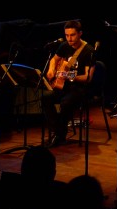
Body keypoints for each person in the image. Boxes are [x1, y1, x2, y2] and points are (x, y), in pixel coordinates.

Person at [41, 19, 95, 148]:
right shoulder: (64, 46)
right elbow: (54, 59)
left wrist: (69, 75)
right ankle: (58, 132)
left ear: (80, 33)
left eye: (72, 35)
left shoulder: (89, 50)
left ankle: (59, 135)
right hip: (63, 86)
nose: (69, 39)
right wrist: (51, 70)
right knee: (45, 98)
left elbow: (88, 77)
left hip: (80, 88)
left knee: (66, 102)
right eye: (67, 35)